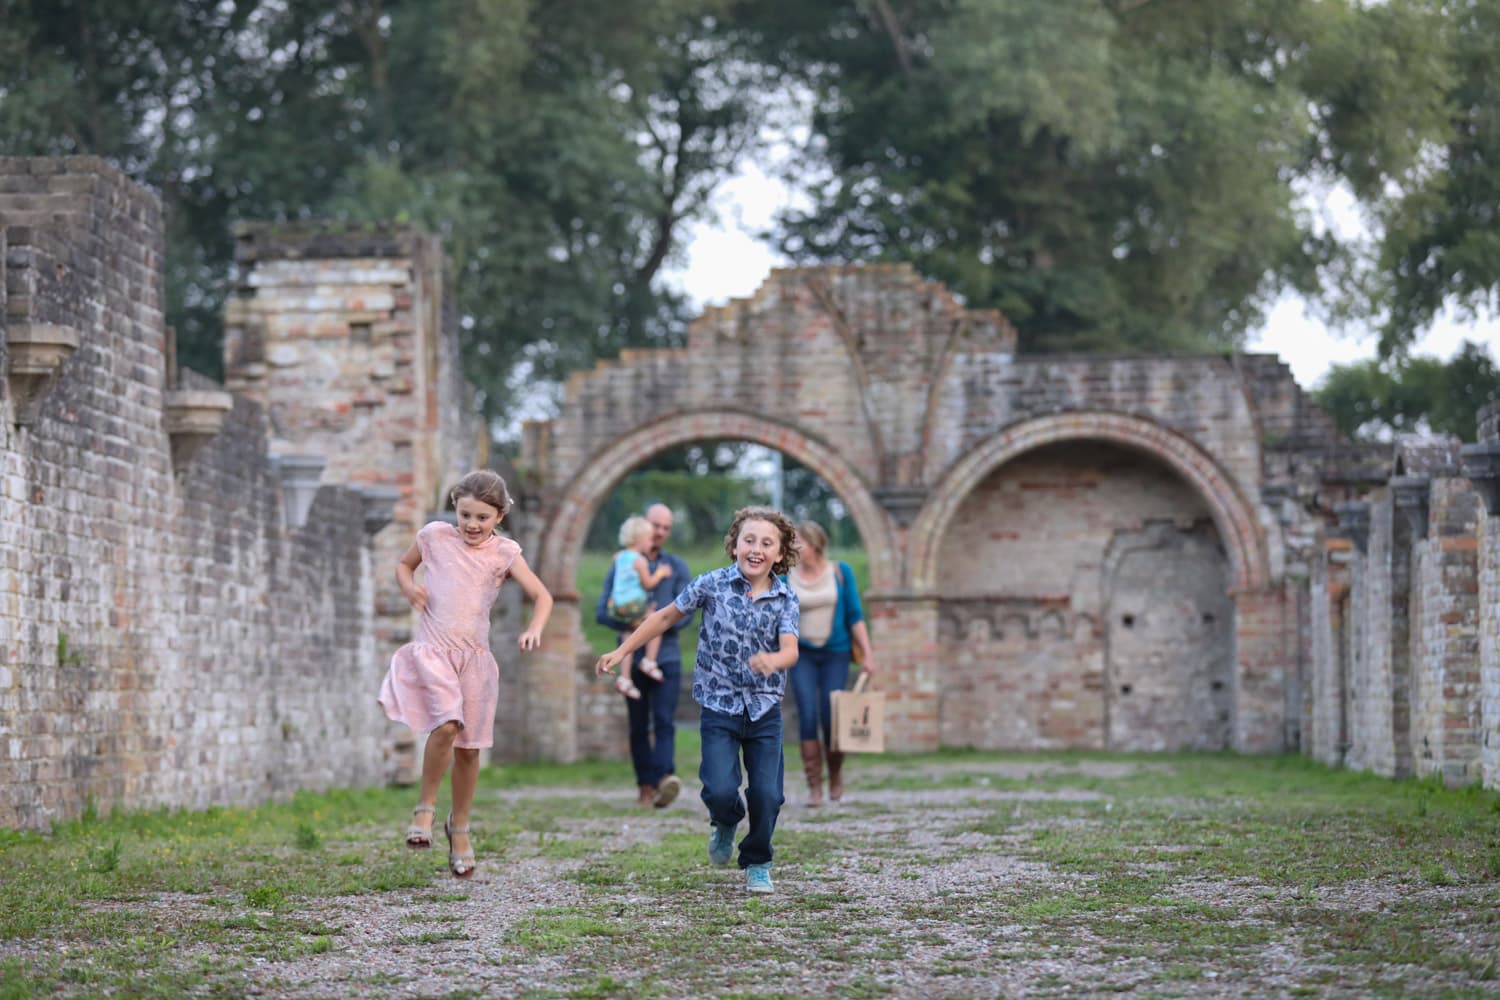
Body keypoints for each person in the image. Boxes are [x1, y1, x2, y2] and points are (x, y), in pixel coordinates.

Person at [596, 506, 800, 894]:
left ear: (779, 553)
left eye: (766, 543)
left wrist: (773, 659)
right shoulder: (712, 584)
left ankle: (757, 861)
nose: (756, 549)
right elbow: (662, 618)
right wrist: (623, 651)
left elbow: (790, 650)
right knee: (720, 790)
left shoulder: (786, 597)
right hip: (719, 705)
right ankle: (725, 821)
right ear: (735, 545)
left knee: (768, 794)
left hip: (764, 708)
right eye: (749, 540)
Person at [378, 470, 553, 879]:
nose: (472, 525)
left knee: (470, 748)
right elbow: (404, 567)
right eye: (466, 514)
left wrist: (534, 627)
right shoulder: (435, 537)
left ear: (499, 516)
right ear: (455, 508)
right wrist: (409, 588)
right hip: (435, 651)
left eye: (482, 518)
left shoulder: (504, 553)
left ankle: (459, 828)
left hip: (475, 660)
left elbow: (542, 595)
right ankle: (424, 809)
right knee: (447, 725)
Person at [595, 503, 692, 809]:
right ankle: (645, 786)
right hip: (631, 658)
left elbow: (688, 612)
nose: (660, 532)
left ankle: (665, 779)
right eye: (655, 525)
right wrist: (634, 624)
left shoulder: (676, 567)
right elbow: (602, 611)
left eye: (666, 527)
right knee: (638, 726)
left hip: (668, 657)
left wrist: (662, 622)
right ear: (642, 526)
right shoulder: (622, 562)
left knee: (664, 720)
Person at [786, 520, 875, 806]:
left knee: (831, 714)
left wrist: (868, 655)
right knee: (808, 713)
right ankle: (814, 787)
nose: (795, 547)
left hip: (836, 653)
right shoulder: (787, 576)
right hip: (802, 655)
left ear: (816, 544)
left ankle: (835, 773)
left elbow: (855, 616)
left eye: (800, 542)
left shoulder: (840, 572)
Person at [606, 514, 672, 699]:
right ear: (639, 540)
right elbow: (648, 584)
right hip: (633, 606)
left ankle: (624, 679)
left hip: (617, 607)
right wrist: (659, 573)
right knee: (655, 622)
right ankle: (649, 661)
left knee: (627, 639)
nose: (652, 542)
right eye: (649, 539)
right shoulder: (639, 561)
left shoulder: (618, 556)